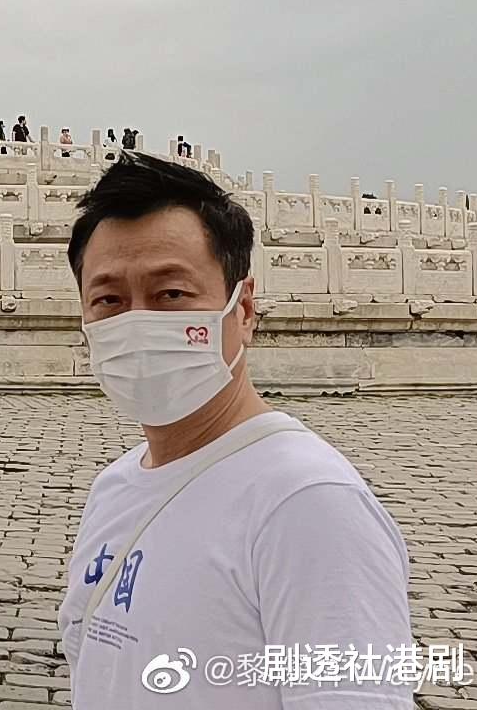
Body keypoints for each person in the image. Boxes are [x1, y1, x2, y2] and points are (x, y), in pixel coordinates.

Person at [59, 155, 412, 708]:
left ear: (243, 308)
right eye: (109, 300)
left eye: (171, 294)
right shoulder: (115, 488)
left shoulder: (307, 503)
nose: (138, 320)